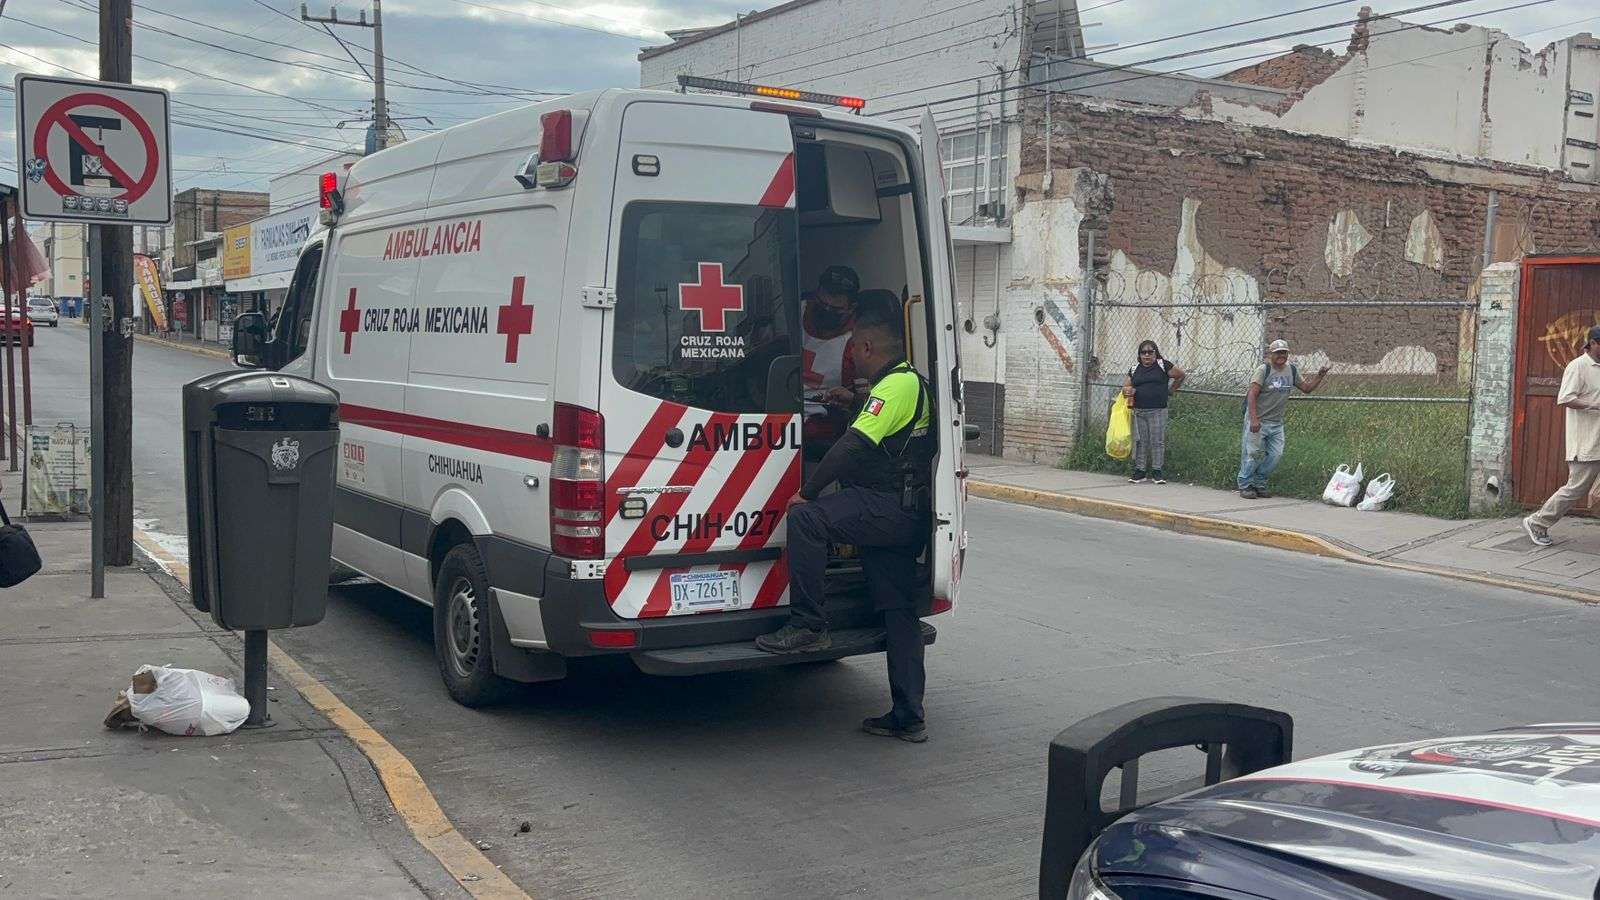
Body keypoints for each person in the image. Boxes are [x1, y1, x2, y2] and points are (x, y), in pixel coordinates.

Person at [755, 300, 934, 743]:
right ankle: (908, 716)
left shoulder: (896, 385)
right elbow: (887, 427)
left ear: (867, 346)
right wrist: (852, 401)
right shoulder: (906, 382)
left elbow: (854, 445)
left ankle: (808, 626)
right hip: (904, 510)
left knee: (807, 520)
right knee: (899, 613)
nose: (850, 355)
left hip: (883, 506)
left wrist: (808, 491)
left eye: (854, 348)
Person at [1523, 325, 1600, 547]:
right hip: (1586, 442)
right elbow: (1565, 398)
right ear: (1593, 343)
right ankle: (1537, 522)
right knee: (1576, 488)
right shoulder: (1578, 367)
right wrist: (1595, 405)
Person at [1238, 339, 1329, 500]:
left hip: (1276, 423)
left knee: (1275, 455)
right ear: (1271, 354)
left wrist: (1320, 376)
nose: (1281, 356)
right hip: (1259, 420)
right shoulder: (1264, 370)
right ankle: (1245, 485)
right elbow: (1252, 394)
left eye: (1284, 353)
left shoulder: (1291, 370)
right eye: (1278, 353)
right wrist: (1254, 419)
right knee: (1254, 455)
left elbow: (1306, 388)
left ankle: (1259, 483)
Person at [801, 266, 862, 452]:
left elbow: (862, 399)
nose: (826, 310)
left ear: (851, 309)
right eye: (821, 304)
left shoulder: (858, 343)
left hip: (821, 434)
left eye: (835, 309)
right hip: (776, 416)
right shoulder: (791, 314)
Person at [1121, 340, 1185, 484]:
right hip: (1139, 411)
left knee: (1157, 441)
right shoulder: (1134, 369)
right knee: (1141, 441)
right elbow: (1125, 387)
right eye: (1143, 352)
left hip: (1157, 410)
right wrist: (1128, 391)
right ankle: (1140, 471)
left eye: (1150, 352)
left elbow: (1181, 375)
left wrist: (1171, 390)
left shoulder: (1163, 365)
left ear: (1156, 353)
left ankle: (1157, 471)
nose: (1147, 355)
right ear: (1139, 355)